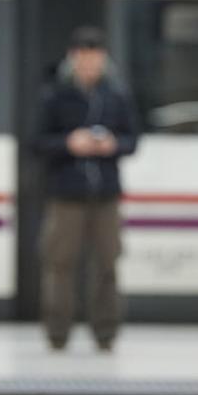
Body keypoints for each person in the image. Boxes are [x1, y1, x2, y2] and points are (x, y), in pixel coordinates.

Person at [34, 26, 139, 352]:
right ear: (72, 58)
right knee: (59, 264)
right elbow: (37, 141)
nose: (88, 62)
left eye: (94, 56)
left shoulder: (117, 96)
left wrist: (112, 145)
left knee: (107, 263)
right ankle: (57, 333)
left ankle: (105, 333)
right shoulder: (55, 95)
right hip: (66, 194)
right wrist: (69, 143)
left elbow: (133, 140)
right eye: (82, 56)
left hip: (105, 194)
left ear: (103, 59)